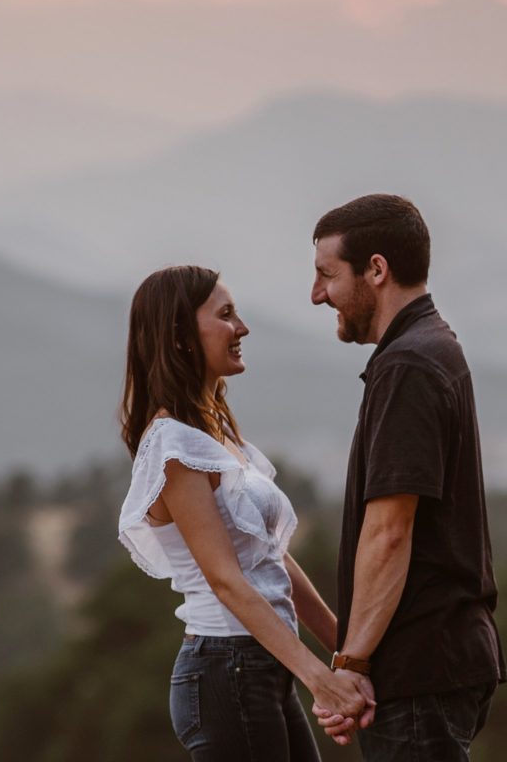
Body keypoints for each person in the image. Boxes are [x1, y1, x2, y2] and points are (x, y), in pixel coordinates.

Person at [116, 265, 375, 761]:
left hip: (259, 667)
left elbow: (272, 561)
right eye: (227, 315)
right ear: (180, 335)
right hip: (226, 668)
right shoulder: (174, 446)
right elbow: (227, 580)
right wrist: (319, 678)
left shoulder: (217, 437)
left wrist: (347, 654)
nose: (243, 328)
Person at [309, 194, 506, 760]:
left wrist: (349, 666)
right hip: (434, 664)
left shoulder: (409, 365)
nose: (318, 294)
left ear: (377, 269)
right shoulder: (430, 347)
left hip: (419, 668)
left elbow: (390, 531)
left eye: (327, 275)